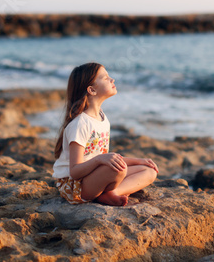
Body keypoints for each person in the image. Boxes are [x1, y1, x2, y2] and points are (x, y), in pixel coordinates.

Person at [53, 62, 158, 206]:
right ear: (91, 90)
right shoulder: (80, 124)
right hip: (75, 186)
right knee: (118, 171)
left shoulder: (102, 118)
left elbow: (107, 160)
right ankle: (104, 194)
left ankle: (112, 193)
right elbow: (75, 171)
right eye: (105, 77)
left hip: (95, 175)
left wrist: (138, 161)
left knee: (149, 171)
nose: (112, 79)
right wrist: (100, 160)